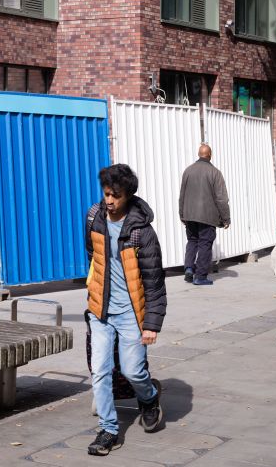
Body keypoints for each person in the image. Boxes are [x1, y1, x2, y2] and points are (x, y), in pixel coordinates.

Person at [85, 163, 166, 456]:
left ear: (127, 196)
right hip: (100, 310)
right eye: (106, 193)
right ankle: (109, 429)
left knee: (133, 371)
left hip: (132, 314)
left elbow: (155, 282)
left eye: (115, 195)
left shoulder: (141, 233)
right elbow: (93, 256)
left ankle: (149, 397)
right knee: (100, 371)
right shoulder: (94, 218)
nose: (109, 200)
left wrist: (152, 324)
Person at [178, 143, 230, 285]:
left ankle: (189, 268)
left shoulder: (188, 171)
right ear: (210, 155)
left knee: (192, 241)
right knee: (205, 244)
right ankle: (200, 277)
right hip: (207, 216)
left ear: (199, 154)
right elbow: (222, 198)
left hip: (189, 215)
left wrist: (182, 214)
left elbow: (182, 195)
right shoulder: (215, 173)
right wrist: (226, 218)